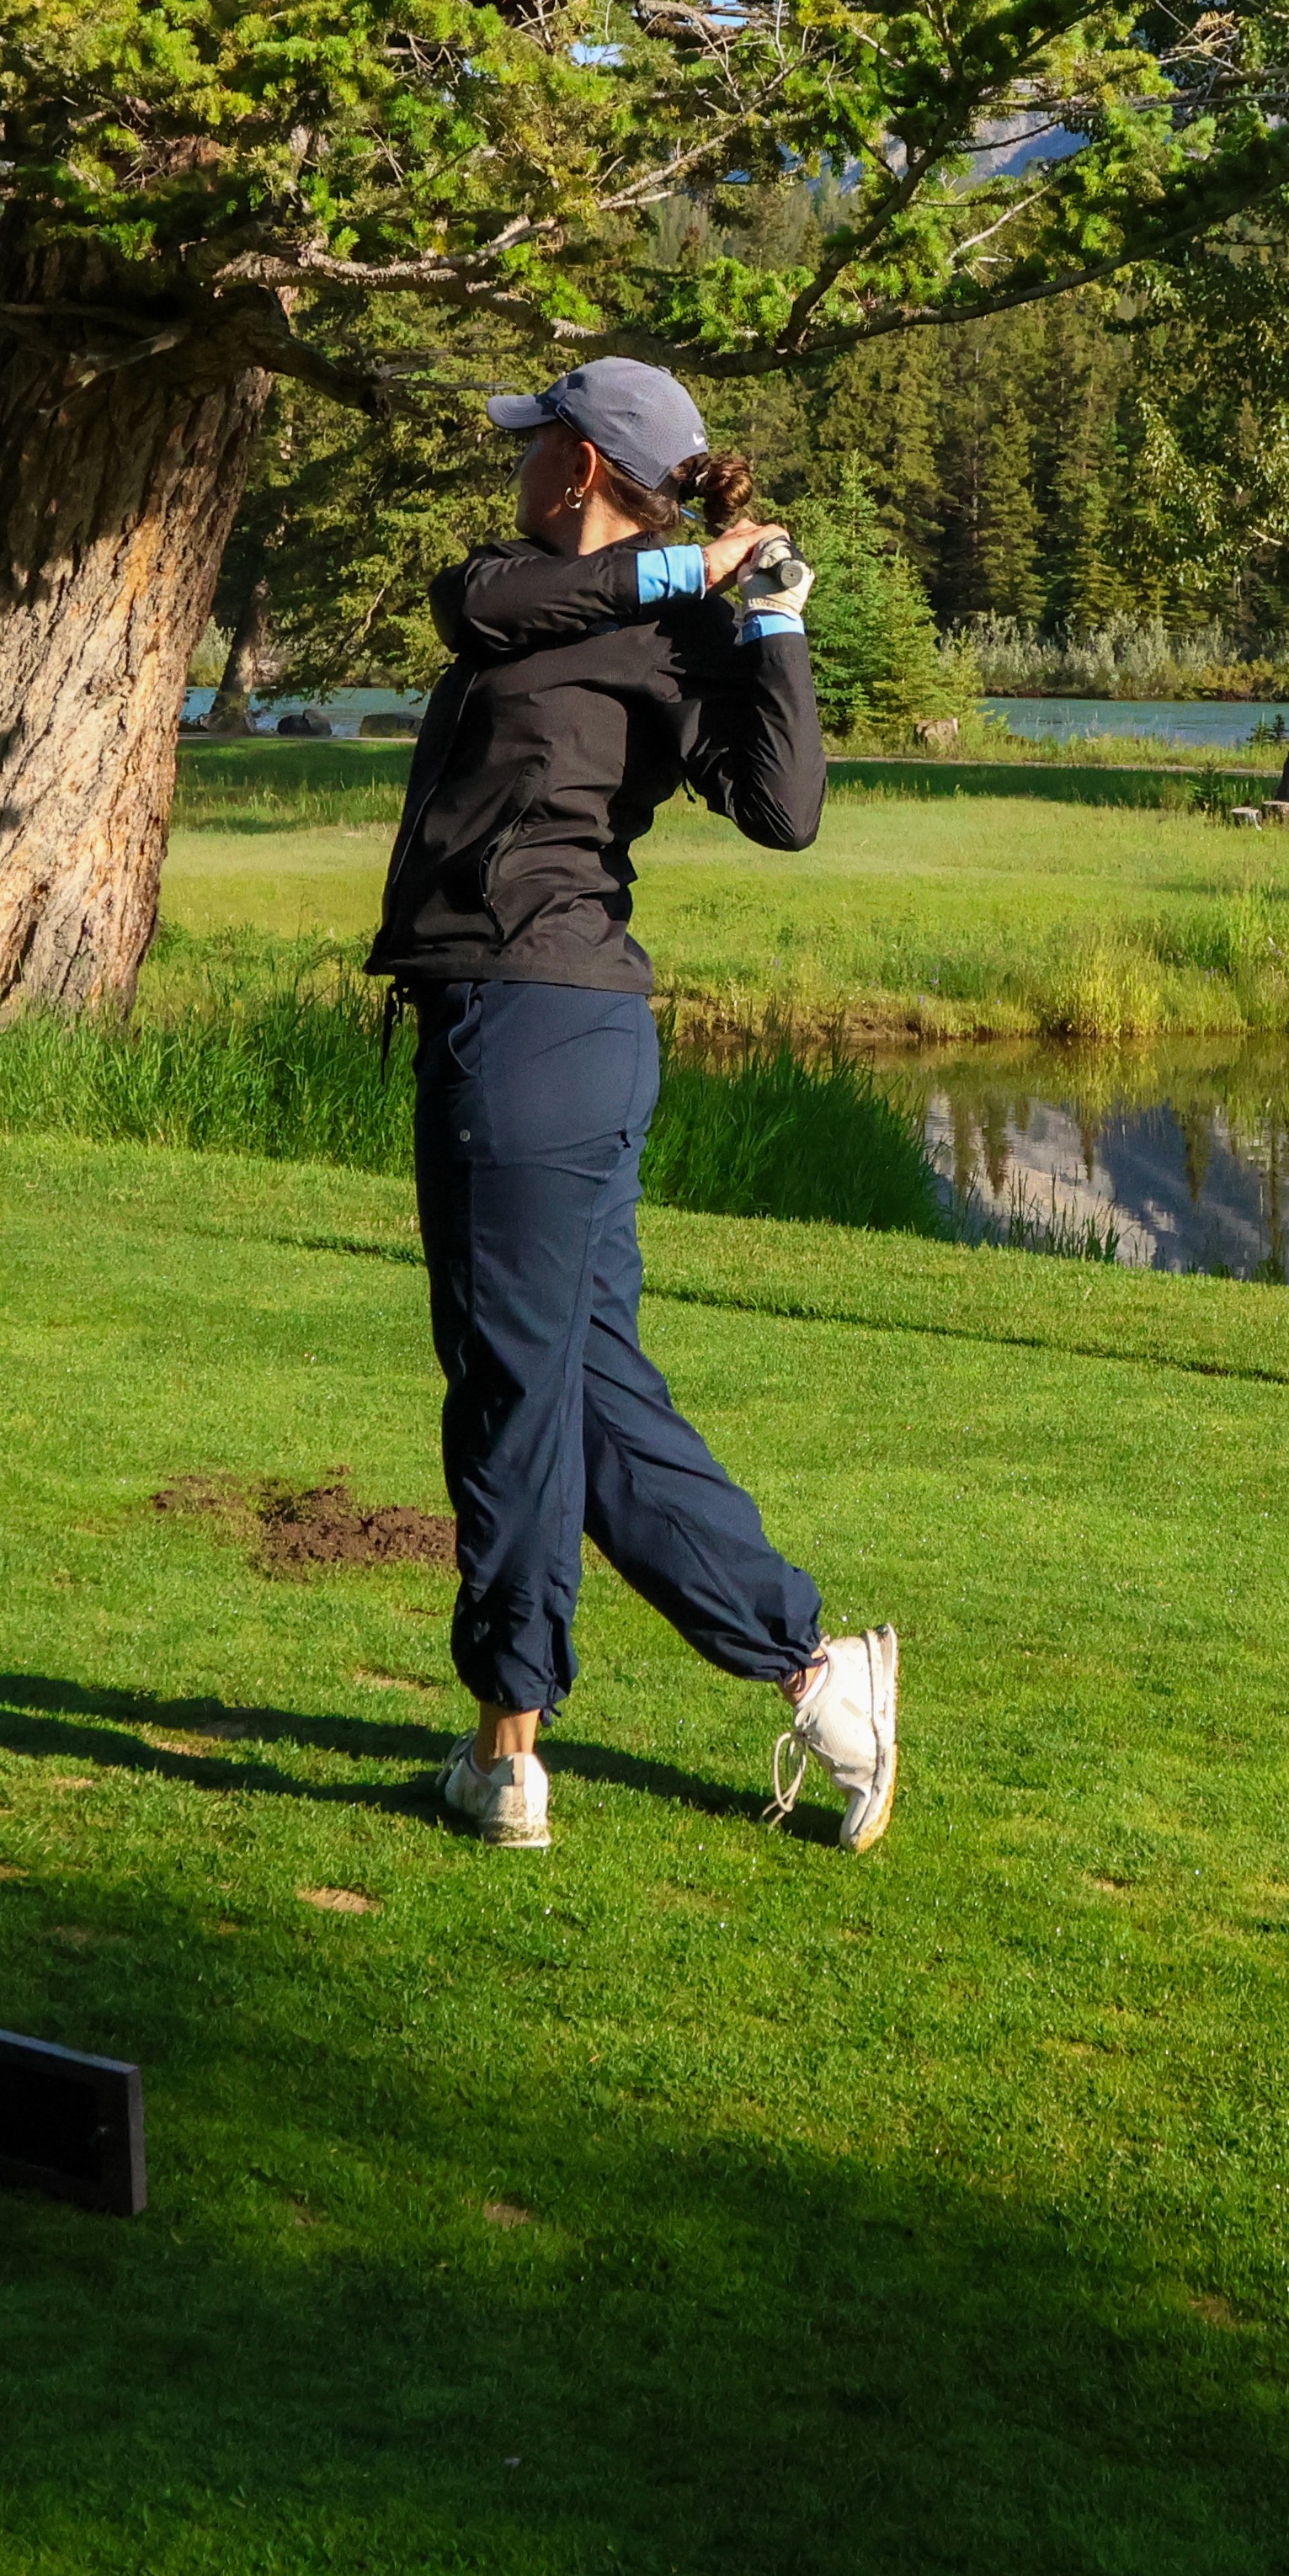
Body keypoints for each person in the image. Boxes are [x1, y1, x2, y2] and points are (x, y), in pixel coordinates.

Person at [369, 354, 902, 1854]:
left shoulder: (680, 633)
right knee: (589, 1398)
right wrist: (694, 564)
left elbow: (782, 808)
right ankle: (817, 1668)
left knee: (510, 1394)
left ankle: (505, 1746)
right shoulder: (532, 587)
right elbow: (474, 609)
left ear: (585, 463)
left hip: (538, 1026)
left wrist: (774, 620)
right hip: (552, 1029)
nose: (518, 463)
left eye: (535, 441)